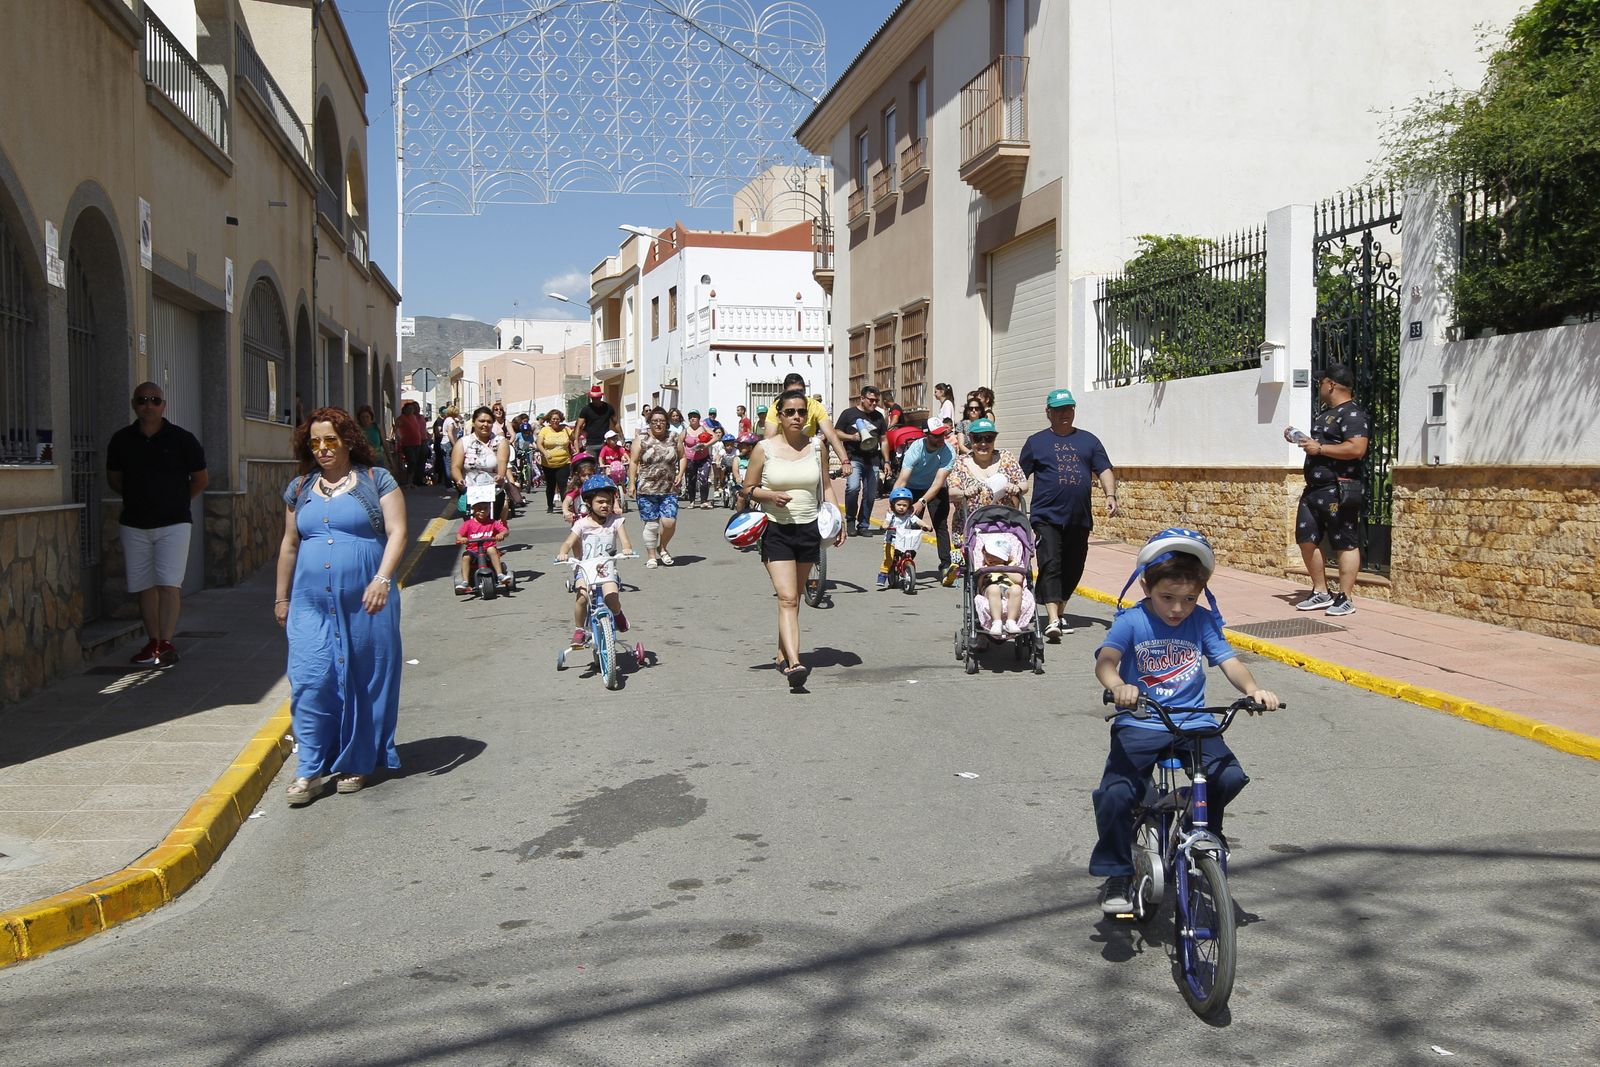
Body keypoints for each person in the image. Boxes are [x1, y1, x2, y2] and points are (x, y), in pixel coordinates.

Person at [1090, 528, 1280, 913]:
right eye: (1168, 598)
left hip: (1192, 723)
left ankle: (1205, 828)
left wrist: (1254, 690)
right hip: (1142, 721)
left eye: (1189, 599)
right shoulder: (1132, 621)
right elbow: (1106, 661)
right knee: (1116, 795)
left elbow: (1229, 661)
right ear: (1147, 586)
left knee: (1228, 776)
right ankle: (1119, 872)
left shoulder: (1203, 621)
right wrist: (1120, 686)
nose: (1178, 609)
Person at [273, 407, 407, 805]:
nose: (323, 448)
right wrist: (281, 597)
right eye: (315, 442)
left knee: (365, 678)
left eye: (330, 440)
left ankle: (357, 760)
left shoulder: (375, 479)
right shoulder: (300, 488)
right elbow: (289, 544)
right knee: (310, 680)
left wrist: (382, 579)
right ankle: (310, 769)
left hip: (369, 600)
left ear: (348, 440)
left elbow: (398, 531)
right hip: (309, 604)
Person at [742, 387, 847, 689]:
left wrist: (838, 520)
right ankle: (795, 663)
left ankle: (781, 651)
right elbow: (747, 489)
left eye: (802, 411)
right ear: (780, 414)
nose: (797, 417)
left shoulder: (817, 448)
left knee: (794, 598)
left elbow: (825, 487)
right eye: (790, 412)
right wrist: (770, 495)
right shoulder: (764, 448)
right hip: (775, 529)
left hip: (809, 529)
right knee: (787, 597)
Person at [106, 382, 208, 667]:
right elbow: (114, 479)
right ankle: (152, 643)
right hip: (134, 524)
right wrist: (139, 498)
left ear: (164, 405)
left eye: (154, 400)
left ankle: (166, 642)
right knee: (144, 586)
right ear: (133, 404)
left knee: (169, 585)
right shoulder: (121, 440)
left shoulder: (182, 440)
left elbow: (200, 480)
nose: (148, 405)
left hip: (174, 524)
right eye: (142, 400)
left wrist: (175, 501)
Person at [1019, 389, 1117, 642]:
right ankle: (1052, 619)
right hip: (1046, 516)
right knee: (1050, 562)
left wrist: (1110, 495)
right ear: (1048, 412)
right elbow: (1020, 476)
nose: (1065, 414)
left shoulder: (1089, 441)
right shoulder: (1036, 442)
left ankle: (1059, 611)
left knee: (1074, 567)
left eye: (1069, 409)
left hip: (1079, 517)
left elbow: (1104, 469)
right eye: (1059, 409)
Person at [1291, 362, 1371, 618]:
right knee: (1305, 540)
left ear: (1331, 384)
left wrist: (1321, 449)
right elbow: (1319, 445)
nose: (1319, 387)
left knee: (1344, 542)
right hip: (1314, 489)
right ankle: (1320, 591)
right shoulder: (1325, 414)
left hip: (1339, 489)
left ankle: (1345, 597)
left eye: (1321, 382)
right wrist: (1302, 439)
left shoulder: (1353, 414)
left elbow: (1357, 449)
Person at [555, 475, 634, 644]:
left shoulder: (616, 521)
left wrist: (627, 549)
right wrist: (563, 553)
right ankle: (579, 629)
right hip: (585, 568)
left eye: (608, 501)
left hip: (606, 568)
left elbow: (625, 540)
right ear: (589, 503)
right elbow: (568, 542)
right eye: (600, 502)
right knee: (582, 596)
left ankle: (618, 614)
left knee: (612, 596)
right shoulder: (582, 523)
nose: (605, 505)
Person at [892, 419, 958, 584]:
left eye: (943, 434)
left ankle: (945, 566)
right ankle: (904, 560)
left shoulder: (948, 451)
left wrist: (921, 502)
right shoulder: (915, 448)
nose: (941, 438)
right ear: (926, 435)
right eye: (936, 436)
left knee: (941, 525)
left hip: (936, 488)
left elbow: (937, 483)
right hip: (913, 487)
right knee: (910, 525)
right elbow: (902, 480)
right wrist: (893, 503)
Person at [629, 407, 687, 567]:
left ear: (666, 423)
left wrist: (680, 474)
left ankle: (663, 547)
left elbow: (682, 457)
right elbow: (633, 462)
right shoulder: (641, 439)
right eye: (655, 421)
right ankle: (652, 556)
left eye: (662, 421)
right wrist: (632, 483)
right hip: (647, 488)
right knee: (652, 524)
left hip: (669, 488)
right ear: (649, 422)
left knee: (669, 522)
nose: (658, 424)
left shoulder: (674, 437)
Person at [760, 372, 851, 472]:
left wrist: (845, 461)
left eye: (802, 412)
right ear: (784, 392)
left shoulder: (815, 406)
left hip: (807, 453)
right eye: (789, 412)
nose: (797, 395)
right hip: (781, 454)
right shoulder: (776, 407)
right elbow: (769, 436)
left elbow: (831, 435)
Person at [837, 385, 889, 536]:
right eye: (871, 400)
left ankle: (864, 524)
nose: (874, 404)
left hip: (872, 459)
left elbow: (884, 440)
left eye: (876, 401)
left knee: (871, 494)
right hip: (854, 458)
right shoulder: (849, 414)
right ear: (862, 398)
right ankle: (851, 520)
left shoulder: (878, 417)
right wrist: (851, 437)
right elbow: (836, 432)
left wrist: (886, 461)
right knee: (853, 488)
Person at [452, 406, 511, 523]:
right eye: (481, 421)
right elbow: (455, 466)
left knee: (490, 528)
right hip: (470, 491)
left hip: (494, 491)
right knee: (472, 528)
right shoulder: (463, 442)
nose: (485, 424)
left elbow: (502, 462)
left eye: (489, 422)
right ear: (474, 423)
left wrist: (501, 476)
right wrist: (459, 479)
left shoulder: (501, 441)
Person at [455, 486, 511, 593]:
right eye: (479, 509)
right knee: (466, 556)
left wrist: (501, 534)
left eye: (485, 509)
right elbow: (459, 535)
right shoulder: (468, 524)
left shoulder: (493, 522)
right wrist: (462, 539)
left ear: (489, 510)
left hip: (488, 552)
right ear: (473, 509)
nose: (482, 511)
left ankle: (499, 575)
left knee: (491, 549)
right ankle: (465, 582)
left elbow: (505, 530)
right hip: (473, 551)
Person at [876, 486, 921, 590]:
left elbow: (917, 521)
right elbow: (886, 522)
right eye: (899, 505)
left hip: (905, 541)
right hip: (891, 541)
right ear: (893, 505)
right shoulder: (891, 515)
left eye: (904, 505)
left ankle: (907, 569)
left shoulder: (909, 515)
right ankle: (882, 575)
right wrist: (885, 525)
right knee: (889, 558)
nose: (901, 507)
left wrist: (925, 525)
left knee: (910, 553)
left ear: (909, 505)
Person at [536, 409, 574, 514]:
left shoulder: (565, 429)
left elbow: (574, 437)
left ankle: (564, 506)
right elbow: (539, 443)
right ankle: (550, 505)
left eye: (557, 419)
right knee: (551, 485)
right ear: (549, 420)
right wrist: (544, 452)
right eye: (553, 419)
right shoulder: (545, 430)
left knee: (563, 485)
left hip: (564, 462)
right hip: (548, 463)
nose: (555, 421)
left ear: (560, 419)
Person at [681, 410, 716, 508]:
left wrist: (706, 445)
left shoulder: (704, 428)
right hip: (690, 459)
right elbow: (679, 442)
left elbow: (715, 437)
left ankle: (703, 501)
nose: (692, 419)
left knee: (704, 478)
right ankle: (692, 501)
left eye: (695, 417)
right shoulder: (686, 430)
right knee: (691, 479)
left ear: (698, 419)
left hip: (703, 458)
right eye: (690, 417)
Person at [574, 385, 620, 455]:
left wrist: (621, 437)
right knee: (592, 464)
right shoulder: (586, 409)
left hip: (606, 442)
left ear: (600, 397)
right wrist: (576, 442)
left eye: (596, 398)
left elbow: (616, 423)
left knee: (606, 463)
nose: (595, 400)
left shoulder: (608, 408)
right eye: (593, 398)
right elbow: (579, 426)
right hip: (591, 443)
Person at [394, 400, 429, 487]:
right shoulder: (401, 418)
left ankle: (412, 481)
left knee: (416, 462)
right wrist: (396, 437)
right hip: (407, 443)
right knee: (412, 461)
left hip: (417, 442)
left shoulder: (414, 417)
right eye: (409, 409)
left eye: (411, 409)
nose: (411, 410)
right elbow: (396, 428)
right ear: (404, 409)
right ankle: (409, 481)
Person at [561, 452, 600, 524]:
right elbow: (566, 501)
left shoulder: (599, 486)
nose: (587, 478)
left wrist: (615, 507)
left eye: (590, 474)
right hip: (580, 522)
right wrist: (566, 511)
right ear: (577, 475)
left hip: (596, 520)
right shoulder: (577, 488)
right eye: (583, 475)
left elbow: (610, 496)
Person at [356, 405, 389, 472]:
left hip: (378, 460)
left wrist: (390, 460)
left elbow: (384, 444)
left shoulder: (377, 427)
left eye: (367, 417)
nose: (365, 419)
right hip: (364, 461)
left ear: (371, 417)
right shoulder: (357, 429)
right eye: (362, 417)